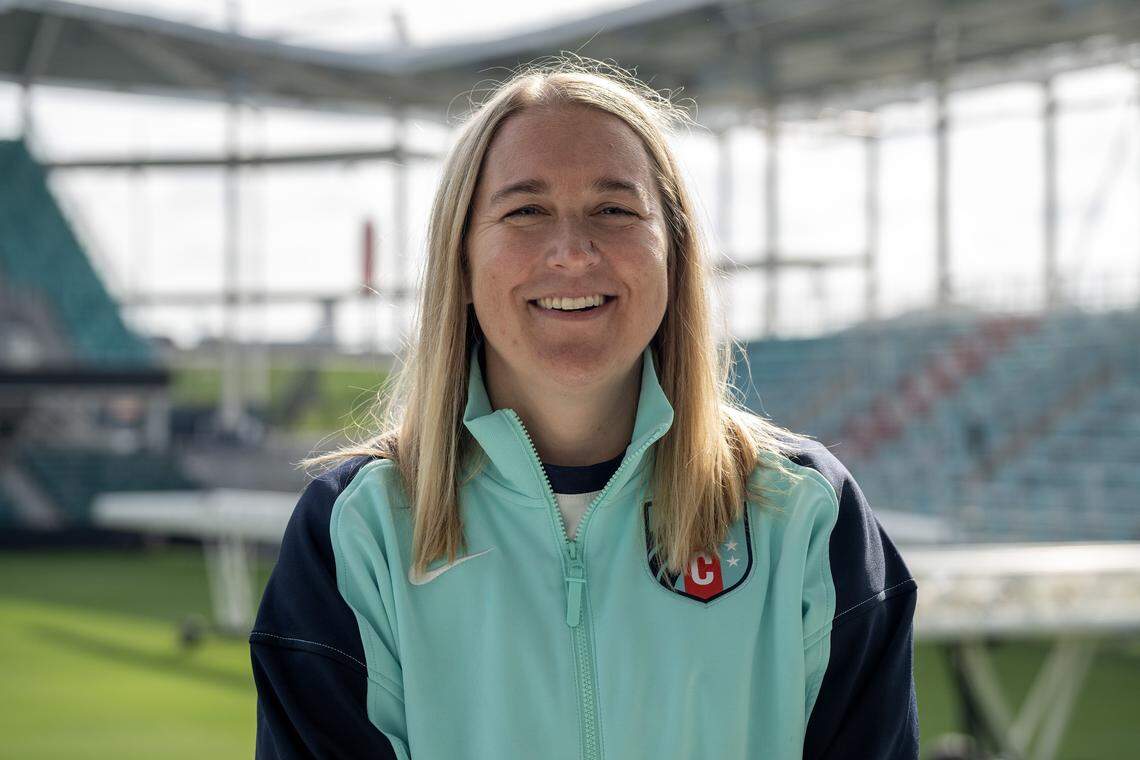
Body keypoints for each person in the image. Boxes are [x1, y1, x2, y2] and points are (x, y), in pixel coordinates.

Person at [249, 57, 919, 759]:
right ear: (463, 262)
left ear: (673, 253)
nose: (572, 252)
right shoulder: (357, 533)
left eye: (614, 209)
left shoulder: (807, 517)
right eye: (526, 210)